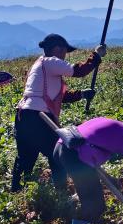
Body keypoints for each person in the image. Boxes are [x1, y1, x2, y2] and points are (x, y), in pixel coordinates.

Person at [11, 33, 106, 192]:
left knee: (26, 156)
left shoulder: (40, 65)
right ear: (54, 48)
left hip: (24, 116)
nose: (64, 53)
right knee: (57, 153)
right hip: (39, 117)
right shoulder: (50, 61)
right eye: (62, 49)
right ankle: (61, 192)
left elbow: (57, 96)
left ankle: (16, 190)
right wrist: (96, 55)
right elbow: (80, 71)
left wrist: (81, 94)